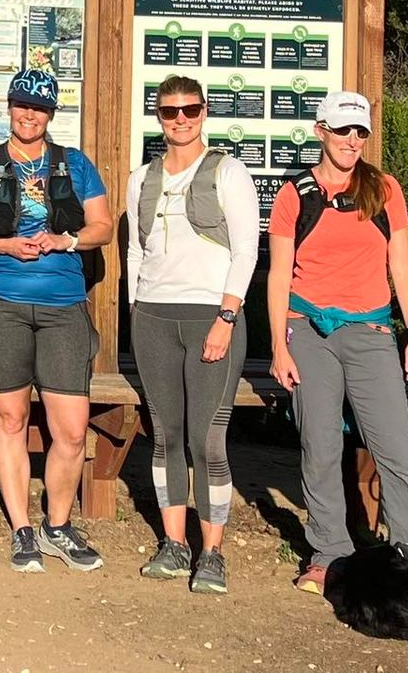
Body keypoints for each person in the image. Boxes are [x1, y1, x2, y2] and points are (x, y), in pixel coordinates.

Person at [0, 67, 116, 576]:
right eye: (22, 105)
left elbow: (102, 227)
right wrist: (5, 245)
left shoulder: (76, 165)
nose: (29, 115)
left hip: (63, 306)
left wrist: (66, 240)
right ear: (9, 108)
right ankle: (22, 528)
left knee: (70, 428)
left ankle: (57, 526)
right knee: (12, 419)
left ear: (50, 115)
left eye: (39, 108)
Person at [267, 90, 408, 594]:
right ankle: (329, 552)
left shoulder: (384, 189)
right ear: (321, 131)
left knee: (394, 445)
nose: (352, 141)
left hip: (372, 330)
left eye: (360, 132)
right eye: (343, 131)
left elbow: (401, 262)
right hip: (308, 329)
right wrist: (279, 345)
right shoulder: (295, 193)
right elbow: (276, 274)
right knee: (319, 443)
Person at [122, 75, 258, 593]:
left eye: (191, 110)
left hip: (211, 317)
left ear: (205, 113)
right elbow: (136, 249)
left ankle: (213, 553)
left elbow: (246, 250)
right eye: (170, 111)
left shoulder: (229, 172)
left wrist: (227, 317)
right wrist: (136, 307)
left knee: (207, 439)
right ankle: (174, 545)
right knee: (167, 435)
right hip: (155, 317)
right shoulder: (141, 179)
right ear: (158, 116)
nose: (181, 119)